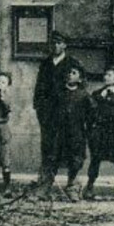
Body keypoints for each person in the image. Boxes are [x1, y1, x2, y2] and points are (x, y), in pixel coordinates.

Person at [33, 32, 80, 184]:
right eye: (53, 42)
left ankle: (71, 184)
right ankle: (46, 181)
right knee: (47, 145)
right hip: (48, 114)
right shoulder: (45, 64)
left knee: (68, 146)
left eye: (59, 43)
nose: (55, 46)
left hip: (66, 114)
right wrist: (40, 108)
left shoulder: (72, 63)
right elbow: (39, 88)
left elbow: (79, 88)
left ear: (65, 45)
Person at [82, 66, 114, 199]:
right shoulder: (96, 94)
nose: (105, 77)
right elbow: (90, 113)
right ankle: (89, 187)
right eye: (105, 75)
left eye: (109, 75)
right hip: (99, 134)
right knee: (95, 160)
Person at [40, 63, 89, 193]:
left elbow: (91, 115)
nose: (70, 75)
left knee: (75, 159)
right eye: (68, 72)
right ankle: (46, 186)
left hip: (76, 132)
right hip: (59, 132)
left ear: (80, 79)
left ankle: (72, 187)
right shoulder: (58, 93)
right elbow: (49, 112)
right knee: (54, 157)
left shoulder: (84, 96)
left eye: (74, 73)